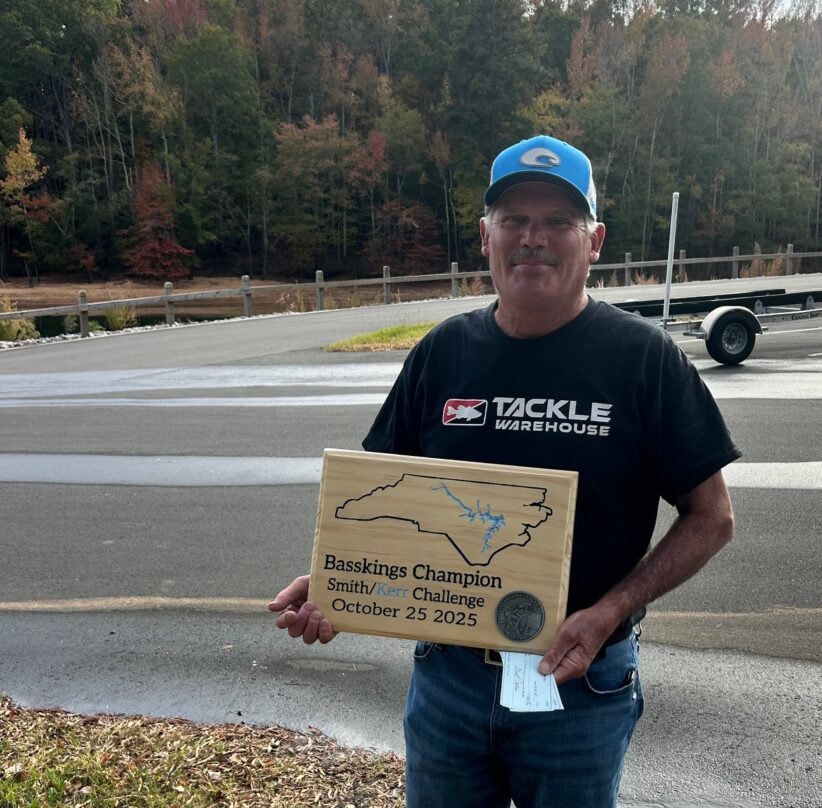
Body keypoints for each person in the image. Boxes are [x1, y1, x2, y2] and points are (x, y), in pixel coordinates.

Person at [269, 135, 740, 807]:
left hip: (579, 682)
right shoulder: (442, 353)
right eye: (514, 218)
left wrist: (609, 612)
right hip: (449, 681)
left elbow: (712, 517)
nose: (533, 238)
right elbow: (385, 500)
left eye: (558, 221)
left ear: (595, 241)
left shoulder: (644, 360)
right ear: (485, 236)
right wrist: (341, 583)